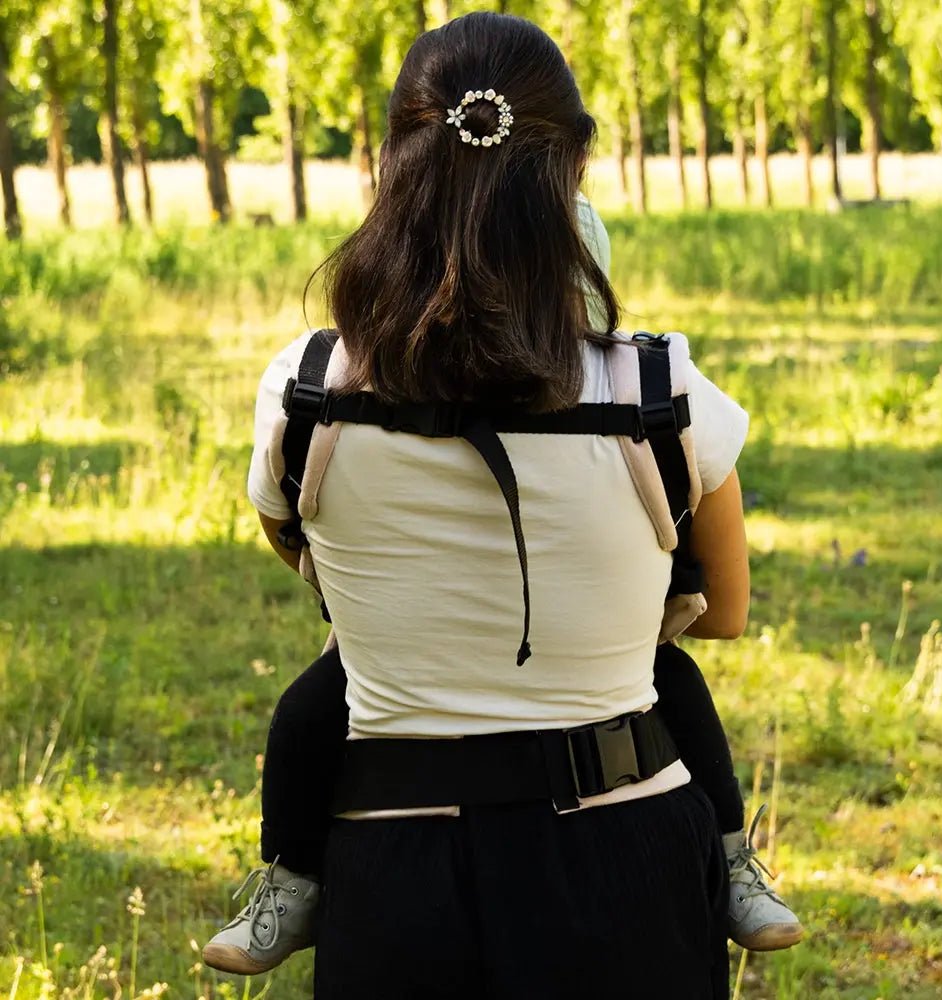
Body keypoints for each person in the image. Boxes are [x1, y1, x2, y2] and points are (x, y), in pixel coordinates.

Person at [204, 13, 801, 997]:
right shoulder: (660, 391)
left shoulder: (307, 389)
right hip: (621, 867)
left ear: (393, 162)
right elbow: (726, 612)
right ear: (568, 169)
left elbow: (310, 558)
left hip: (393, 877)